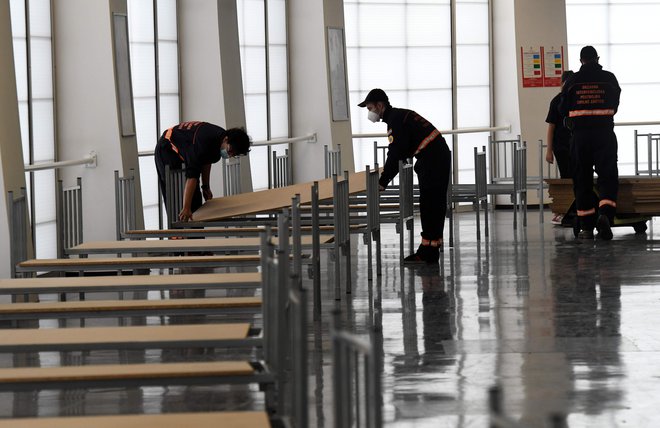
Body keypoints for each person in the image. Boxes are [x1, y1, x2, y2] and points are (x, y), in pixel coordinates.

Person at [358, 88, 451, 264]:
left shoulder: (395, 121)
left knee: (430, 204)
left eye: (370, 108)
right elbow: (403, 149)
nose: (370, 113)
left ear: (380, 105)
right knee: (434, 204)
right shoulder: (399, 115)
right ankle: (431, 248)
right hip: (437, 155)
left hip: (432, 158)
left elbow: (396, 153)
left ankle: (427, 253)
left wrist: (383, 181)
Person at [560, 46, 621, 240]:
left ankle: (586, 226)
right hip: (604, 134)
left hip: (580, 136)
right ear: (597, 58)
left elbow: (563, 108)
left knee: (582, 179)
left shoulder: (571, 81)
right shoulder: (610, 79)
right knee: (608, 175)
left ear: (581, 61)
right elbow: (615, 105)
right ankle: (605, 214)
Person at [155, 121, 251, 222]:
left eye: (233, 154)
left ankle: (196, 232)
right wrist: (186, 208)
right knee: (176, 193)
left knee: (195, 198)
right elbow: (192, 175)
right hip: (167, 149)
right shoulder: (203, 143)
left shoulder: (219, 140)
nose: (230, 155)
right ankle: (177, 234)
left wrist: (206, 187)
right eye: (230, 150)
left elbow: (206, 161)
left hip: (184, 149)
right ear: (226, 139)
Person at [545, 70, 574, 225]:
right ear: (562, 84)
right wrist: (549, 150)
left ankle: (572, 209)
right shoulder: (556, 101)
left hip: (576, 145)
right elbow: (551, 127)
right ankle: (564, 210)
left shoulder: (575, 100)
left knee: (576, 177)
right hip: (561, 147)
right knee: (566, 178)